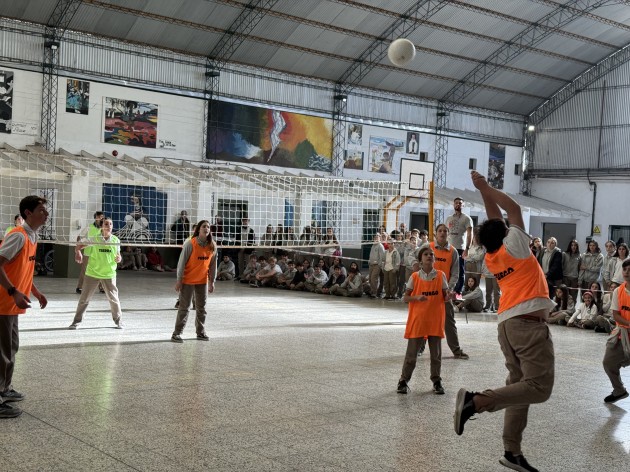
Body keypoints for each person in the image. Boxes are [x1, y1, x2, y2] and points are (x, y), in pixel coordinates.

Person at [455, 171, 555, 472]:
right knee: (539, 387)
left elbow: (495, 218)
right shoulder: (516, 245)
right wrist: (486, 187)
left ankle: (512, 452)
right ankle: (477, 402)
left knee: (520, 387)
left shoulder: (493, 255)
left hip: (507, 326)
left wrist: (482, 190)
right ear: (505, 233)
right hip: (526, 326)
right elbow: (511, 209)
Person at [0, 196, 49, 419]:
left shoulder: (32, 236)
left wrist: (35, 292)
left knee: (11, 348)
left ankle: (5, 389)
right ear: (28, 213)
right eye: (41, 210)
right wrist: (12, 291)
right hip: (3, 303)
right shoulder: (18, 236)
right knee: (2, 352)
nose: (46, 214)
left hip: (13, 304)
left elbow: (24, 271)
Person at [397, 245, 449, 395]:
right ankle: (403, 381)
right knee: (411, 355)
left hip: (435, 320)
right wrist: (416, 297)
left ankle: (437, 381)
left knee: (436, 355)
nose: (429, 256)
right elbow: (405, 298)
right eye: (426, 254)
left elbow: (445, 297)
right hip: (418, 320)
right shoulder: (414, 277)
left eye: (431, 254)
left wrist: (449, 297)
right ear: (420, 260)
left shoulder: (440, 275)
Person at [69, 218, 124, 330]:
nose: (109, 226)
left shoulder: (116, 240)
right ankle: (76, 322)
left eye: (110, 224)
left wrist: (119, 258)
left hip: (109, 274)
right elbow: (79, 245)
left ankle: (119, 321)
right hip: (92, 273)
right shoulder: (95, 239)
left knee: (114, 299)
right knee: (84, 299)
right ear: (102, 226)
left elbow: (118, 255)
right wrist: (77, 252)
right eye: (106, 224)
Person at [171, 220, 217, 343]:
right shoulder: (190, 244)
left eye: (208, 227)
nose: (206, 229)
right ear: (198, 229)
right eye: (204, 226)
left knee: (202, 308)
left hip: (203, 281)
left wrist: (212, 281)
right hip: (188, 280)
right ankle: (177, 333)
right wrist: (179, 280)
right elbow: (181, 263)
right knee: (184, 308)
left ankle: (200, 332)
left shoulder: (212, 245)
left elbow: (213, 265)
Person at [429, 224, 469, 359]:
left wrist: (448, 289)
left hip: (444, 293)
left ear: (448, 234)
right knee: (426, 320)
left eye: (445, 231)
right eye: (440, 231)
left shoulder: (453, 252)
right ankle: (420, 348)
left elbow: (455, 274)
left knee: (449, 322)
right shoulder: (429, 248)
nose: (442, 233)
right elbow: (417, 261)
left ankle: (456, 351)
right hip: (428, 291)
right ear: (435, 234)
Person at [602, 258, 630, 403]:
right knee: (608, 362)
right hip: (622, 333)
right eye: (624, 269)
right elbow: (616, 315)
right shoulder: (618, 291)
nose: (627, 273)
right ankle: (619, 390)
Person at [445, 197, 473, 295]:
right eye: (456, 203)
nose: (458, 204)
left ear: (463, 205)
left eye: (460, 203)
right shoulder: (449, 218)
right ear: (453, 204)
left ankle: (458, 292)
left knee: (460, 271)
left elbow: (470, 234)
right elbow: (445, 233)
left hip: (460, 249)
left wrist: (467, 248)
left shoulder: (466, 218)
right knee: (447, 270)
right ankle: (447, 290)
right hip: (448, 248)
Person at [76, 211, 104, 294]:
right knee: (84, 271)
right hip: (88, 253)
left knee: (100, 270)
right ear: (96, 218)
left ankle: (102, 287)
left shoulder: (104, 228)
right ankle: (79, 287)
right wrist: (78, 249)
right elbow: (79, 237)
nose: (101, 218)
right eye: (100, 217)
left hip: (99, 253)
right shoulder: (89, 227)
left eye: (102, 217)